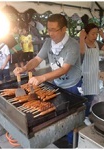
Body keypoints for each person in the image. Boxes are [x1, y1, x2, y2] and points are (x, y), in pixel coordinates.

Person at [13, 14, 82, 147]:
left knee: (70, 115)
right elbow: (37, 60)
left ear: (63, 29)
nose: (50, 33)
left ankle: (70, 142)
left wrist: (42, 77)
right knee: (58, 113)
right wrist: (24, 68)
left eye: (53, 29)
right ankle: (60, 136)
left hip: (72, 85)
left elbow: (64, 69)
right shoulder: (48, 42)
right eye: (48, 29)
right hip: (57, 84)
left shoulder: (73, 45)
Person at [79, 23, 104, 126]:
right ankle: (81, 117)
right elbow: (81, 52)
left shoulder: (97, 43)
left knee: (90, 98)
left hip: (94, 75)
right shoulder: (82, 43)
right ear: (86, 34)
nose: (95, 36)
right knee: (82, 98)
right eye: (92, 34)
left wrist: (103, 36)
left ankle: (86, 116)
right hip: (83, 75)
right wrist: (81, 37)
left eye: (96, 34)